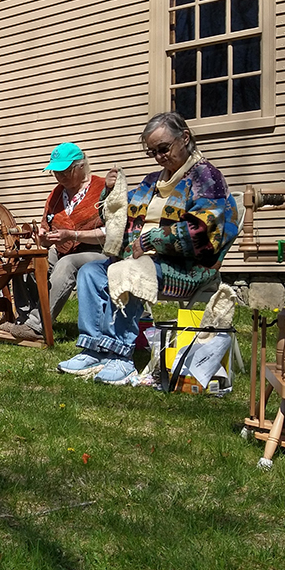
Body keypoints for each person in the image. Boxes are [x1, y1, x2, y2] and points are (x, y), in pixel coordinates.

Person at [58, 112, 238, 385]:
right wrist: (109, 193)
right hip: (145, 261)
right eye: (152, 151)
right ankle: (94, 349)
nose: (158, 157)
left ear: (185, 138)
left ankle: (121, 358)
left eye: (163, 148)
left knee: (128, 271)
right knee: (91, 271)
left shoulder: (206, 178)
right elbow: (119, 215)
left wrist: (152, 239)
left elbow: (201, 232)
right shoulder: (152, 180)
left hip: (188, 267)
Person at [4, 142, 108, 341]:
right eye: (56, 173)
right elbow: (47, 231)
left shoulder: (102, 188)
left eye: (65, 172)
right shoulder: (56, 194)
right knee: (27, 262)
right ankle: (25, 319)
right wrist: (44, 238)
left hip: (99, 249)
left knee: (67, 264)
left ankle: (37, 327)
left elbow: (112, 232)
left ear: (80, 166)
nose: (59, 177)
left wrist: (73, 235)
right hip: (62, 248)